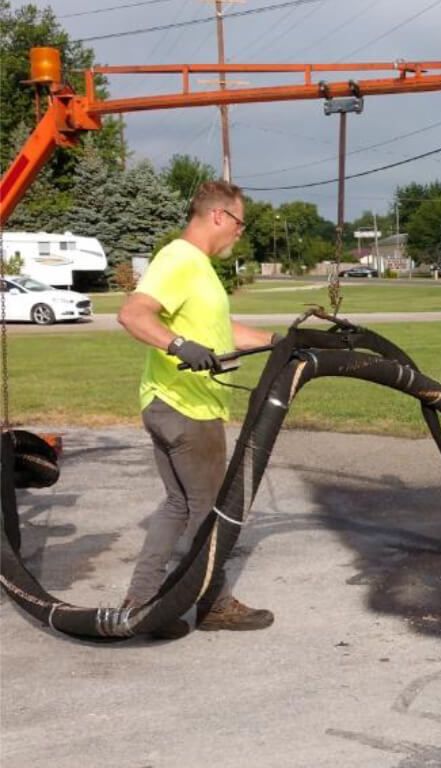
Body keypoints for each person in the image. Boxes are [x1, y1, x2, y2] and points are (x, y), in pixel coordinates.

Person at [118, 180, 276, 637]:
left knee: (179, 505)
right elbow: (134, 314)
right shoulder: (180, 259)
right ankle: (213, 605)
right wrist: (179, 345)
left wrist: (277, 342)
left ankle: (141, 602)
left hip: (170, 404)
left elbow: (219, 328)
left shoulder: (199, 269)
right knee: (209, 513)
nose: (239, 235)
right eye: (240, 224)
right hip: (187, 407)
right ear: (219, 216)